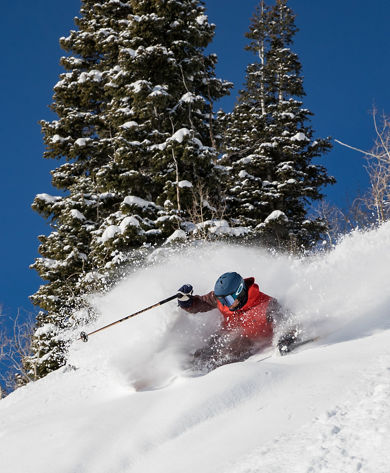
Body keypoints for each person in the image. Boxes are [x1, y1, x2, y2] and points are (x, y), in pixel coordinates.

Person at [177, 272, 300, 369]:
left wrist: (286, 337)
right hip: (225, 334)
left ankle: (208, 377)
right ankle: (187, 370)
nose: (226, 304)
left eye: (228, 300)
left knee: (227, 353)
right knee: (202, 353)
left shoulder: (267, 305)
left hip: (250, 341)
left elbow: (287, 320)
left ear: (240, 292)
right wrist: (187, 302)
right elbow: (201, 303)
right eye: (222, 300)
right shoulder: (220, 298)